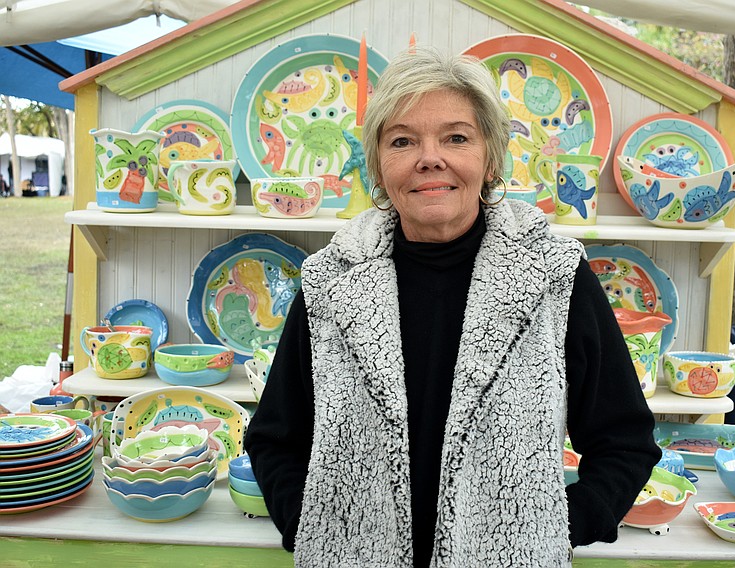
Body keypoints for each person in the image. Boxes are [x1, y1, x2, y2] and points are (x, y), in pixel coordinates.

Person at [245, 46, 661, 567]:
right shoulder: (331, 283)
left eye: (456, 138)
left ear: (490, 160)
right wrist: (313, 526)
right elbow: (274, 438)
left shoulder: (554, 277)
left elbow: (625, 440)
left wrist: (552, 529)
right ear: (378, 167)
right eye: (402, 141)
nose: (429, 158)